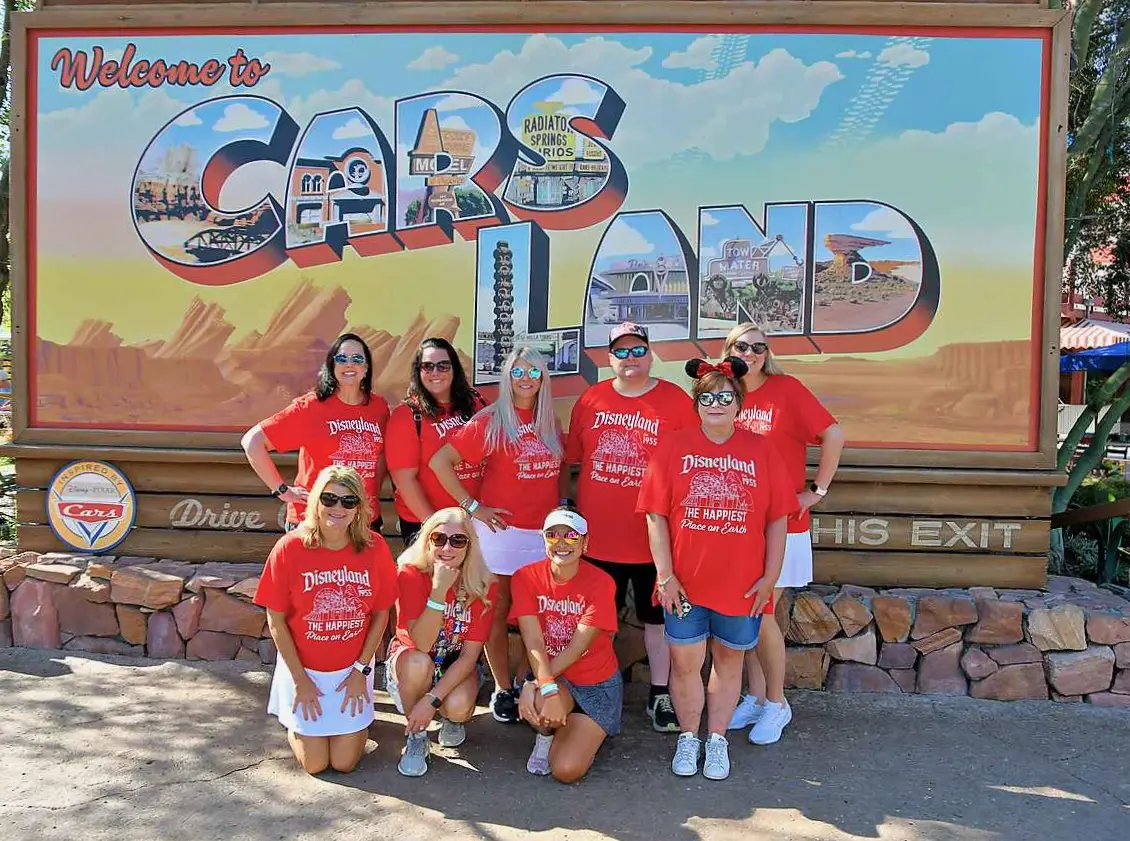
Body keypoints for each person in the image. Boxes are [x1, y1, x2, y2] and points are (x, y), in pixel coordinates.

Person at [637, 357, 797, 781]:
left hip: (741, 586)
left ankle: (717, 739)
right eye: (706, 397)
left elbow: (778, 518)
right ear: (696, 403)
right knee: (685, 664)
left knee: (729, 664)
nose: (716, 404)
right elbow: (655, 515)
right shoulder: (673, 447)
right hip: (684, 586)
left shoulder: (762, 451)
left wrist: (770, 576)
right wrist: (665, 575)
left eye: (725, 397)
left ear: (738, 403)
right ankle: (688, 737)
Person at [560, 322, 697, 732]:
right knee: (596, 621)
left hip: (653, 540)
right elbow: (574, 460)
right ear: (609, 358)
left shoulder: (674, 401)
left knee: (657, 622)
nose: (630, 358)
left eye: (638, 350)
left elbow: (691, 460)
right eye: (622, 352)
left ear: (651, 354)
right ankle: (595, 691)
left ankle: (660, 695)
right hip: (598, 539)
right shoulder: (592, 399)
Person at [721, 323, 845, 745]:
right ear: (729, 349)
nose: (751, 353)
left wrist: (816, 492)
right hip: (736, 524)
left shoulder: (786, 389)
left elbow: (834, 434)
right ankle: (757, 698)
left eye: (759, 347)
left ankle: (777, 702)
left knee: (762, 611)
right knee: (753, 613)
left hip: (782, 522)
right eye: (742, 346)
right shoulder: (724, 391)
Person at [429, 344, 564, 725]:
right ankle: (504, 688)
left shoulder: (549, 420)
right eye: (517, 372)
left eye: (533, 372)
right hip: (500, 533)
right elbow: (441, 462)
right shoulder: (492, 420)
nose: (525, 379)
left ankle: (526, 682)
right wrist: (473, 508)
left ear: (543, 378)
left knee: (535, 615)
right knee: (497, 611)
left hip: (542, 536)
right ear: (507, 377)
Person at [254, 465, 398, 775]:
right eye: (329, 499)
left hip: (352, 670)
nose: (337, 508)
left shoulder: (374, 547)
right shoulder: (290, 548)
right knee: (316, 765)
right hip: (304, 670)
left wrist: (361, 670)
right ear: (316, 501)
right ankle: (300, 724)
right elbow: (276, 619)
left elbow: (381, 613)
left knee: (345, 764)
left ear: (359, 508)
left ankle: (348, 727)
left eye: (348, 501)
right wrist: (300, 681)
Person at [511, 507, 622, 783]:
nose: (561, 543)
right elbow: (534, 641)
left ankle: (579, 732)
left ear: (585, 543)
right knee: (539, 701)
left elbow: (576, 648)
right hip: (555, 677)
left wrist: (535, 683)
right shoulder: (525, 577)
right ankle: (546, 735)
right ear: (544, 539)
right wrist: (543, 686)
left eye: (571, 537)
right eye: (553, 536)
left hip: (595, 683)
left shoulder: (601, 582)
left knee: (566, 771)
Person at [385, 507, 497, 777]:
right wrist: (438, 590)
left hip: (454, 662)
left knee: (458, 708)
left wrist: (432, 700)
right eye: (439, 539)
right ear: (427, 540)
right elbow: (421, 644)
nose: (447, 547)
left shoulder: (484, 583)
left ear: (470, 545)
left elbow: (470, 656)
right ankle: (417, 735)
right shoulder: (409, 574)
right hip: (412, 661)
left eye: (458, 540)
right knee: (417, 661)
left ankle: (446, 715)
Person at [241, 333, 389, 532]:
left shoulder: (378, 407)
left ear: (366, 368)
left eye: (357, 359)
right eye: (342, 358)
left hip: (362, 519)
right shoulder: (311, 406)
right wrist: (282, 490)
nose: (349, 364)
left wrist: (371, 492)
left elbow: (381, 456)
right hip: (315, 520)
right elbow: (252, 441)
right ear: (331, 365)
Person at [386, 338, 488, 547]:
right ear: (418, 371)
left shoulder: (477, 403)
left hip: (476, 519)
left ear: (455, 368)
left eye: (443, 365)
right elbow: (405, 481)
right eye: (428, 366)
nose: (436, 372)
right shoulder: (406, 415)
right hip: (429, 523)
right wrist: (437, 529)